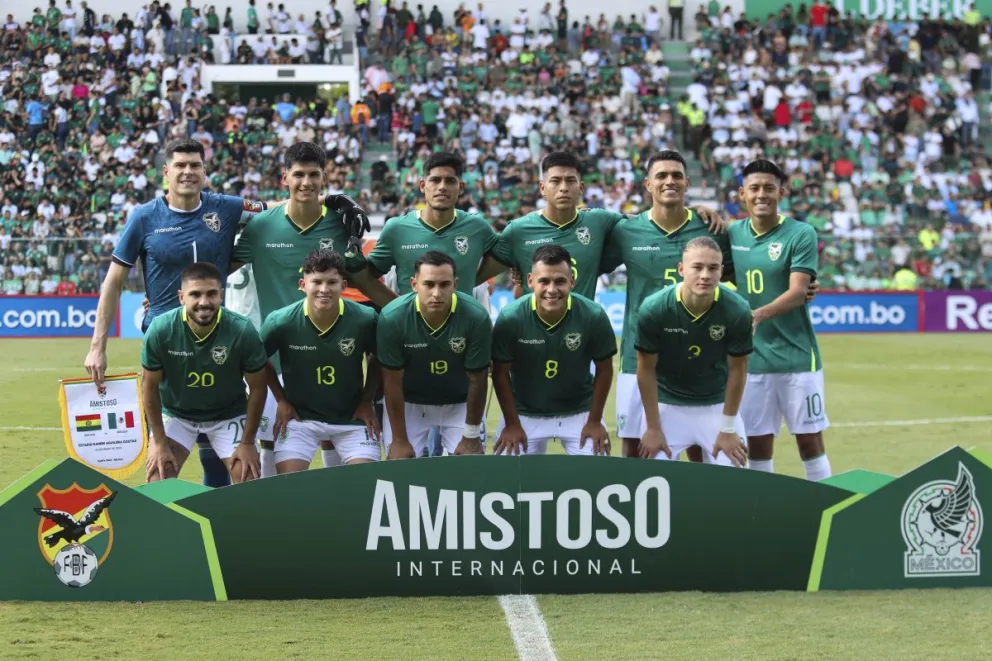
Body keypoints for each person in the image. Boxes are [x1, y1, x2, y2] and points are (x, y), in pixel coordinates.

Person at [86, 138, 267, 488]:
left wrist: (328, 201)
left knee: (217, 412)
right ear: (166, 173)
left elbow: (278, 210)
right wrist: (98, 345)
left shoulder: (226, 208)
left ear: (205, 172)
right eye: (180, 166)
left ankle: (220, 501)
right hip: (165, 337)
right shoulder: (144, 217)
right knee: (164, 452)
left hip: (215, 328)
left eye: (195, 165)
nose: (188, 172)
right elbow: (113, 282)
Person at [229, 142, 393, 476]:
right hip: (274, 364)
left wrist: (409, 311)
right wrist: (172, 296)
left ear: (324, 177)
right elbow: (220, 271)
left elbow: (365, 282)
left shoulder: (341, 223)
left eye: (314, 175)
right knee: (271, 446)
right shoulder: (260, 227)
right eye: (299, 174)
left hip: (331, 359)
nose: (306, 182)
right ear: (284, 178)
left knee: (336, 439)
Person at [600, 150, 735, 459]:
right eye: (661, 176)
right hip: (639, 359)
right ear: (648, 184)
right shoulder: (627, 231)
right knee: (636, 451)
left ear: (687, 182)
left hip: (697, 359)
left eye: (676, 175)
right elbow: (584, 263)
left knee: (700, 448)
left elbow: (733, 274)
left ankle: (698, 508)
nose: (669, 181)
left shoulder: (709, 230)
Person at [475, 150, 726, 299]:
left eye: (570, 181)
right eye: (555, 181)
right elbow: (474, 278)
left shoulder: (600, 221)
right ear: (542, 187)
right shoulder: (518, 230)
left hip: (582, 342)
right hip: (531, 339)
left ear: (581, 187)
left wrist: (691, 211)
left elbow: (651, 220)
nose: (563, 187)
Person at [728, 159, 831, 481]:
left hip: (797, 356)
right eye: (754, 188)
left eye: (769, 188)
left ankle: (826, 508)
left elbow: (799, 291)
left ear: (781, 193)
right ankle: (762, 512)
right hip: (752, 360)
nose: (762, 195)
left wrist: (756, 315)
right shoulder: (731, 233)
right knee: (757, 443)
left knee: (810, 441)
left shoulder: (800, 233)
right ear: (742, 194)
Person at [140, 262, 268, 483]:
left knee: (248, 476)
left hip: (228, 414)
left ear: (221, 295)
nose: (203, 302)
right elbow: (149, 387)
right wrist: (159, 442)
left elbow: (258, 388)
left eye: (211, 294)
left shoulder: (242, 330)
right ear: (182, 297)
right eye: (195, 294)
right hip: (177, 415)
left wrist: (248, 443)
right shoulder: (161, 330)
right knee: (158, 476)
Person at [259, 249, 381, 473]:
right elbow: (256, 361)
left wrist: (367, 400)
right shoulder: (280, 321)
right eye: (317, 282)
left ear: (343, 286)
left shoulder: (365, 318)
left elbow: (379, 358)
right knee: (291, 488)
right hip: (300, 419)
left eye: (332, 282)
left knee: (366, 485)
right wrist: (281, 400)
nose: (324, 289)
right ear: (303, 284)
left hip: (351, 417)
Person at [635, 237, 751, 467]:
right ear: (681, 269)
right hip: (666, 404)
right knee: (653, 481)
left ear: (721, 271)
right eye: (697, 267)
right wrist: (653, 428)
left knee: (738, 479)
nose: (705, 275)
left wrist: (728, 430)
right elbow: (645, 370)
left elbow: (738, 369)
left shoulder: (738, 310)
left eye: (713, 268)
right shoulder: (654, 308)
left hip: (716, 405)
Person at [491, 245, 615, 456]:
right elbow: (500, 374)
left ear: (572, 281)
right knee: (506, 479)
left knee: (597, 477)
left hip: (580, 411)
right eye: (544, 281)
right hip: (523, 412)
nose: (551, 289)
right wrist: (511, 424)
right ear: (530, 281)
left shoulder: (593, 315)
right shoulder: (511, 317)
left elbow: (605, 369)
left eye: (560, 281)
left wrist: (594, 420)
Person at [376, 251, 492, 459]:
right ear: (414, 284)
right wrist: (400, 439)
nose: (437, 293)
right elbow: (392, 383)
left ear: (455, 284)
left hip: (461, 403)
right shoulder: (393, 317)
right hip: (409, 404)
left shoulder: (476, 317)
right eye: (429, 284)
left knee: (471, 468)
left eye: (444, 285)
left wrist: (471, 434)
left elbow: (478, 379)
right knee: (400, 468)